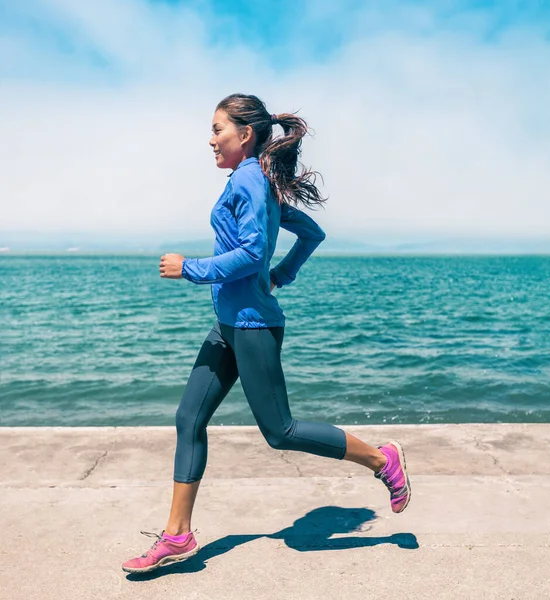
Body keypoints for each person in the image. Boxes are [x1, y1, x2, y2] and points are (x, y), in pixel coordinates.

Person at [121, 94, 411, 574]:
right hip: (229, 326)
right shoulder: (258, 182)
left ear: (245, 134)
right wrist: (283, 274)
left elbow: (253, 254)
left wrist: (193, 268)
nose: (211, 140)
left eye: (218, 130)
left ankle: (383, 460)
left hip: (254, 326)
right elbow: (311, 234)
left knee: (281, 432)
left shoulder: (252, 180)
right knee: (188, 418)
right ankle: (177, 535)